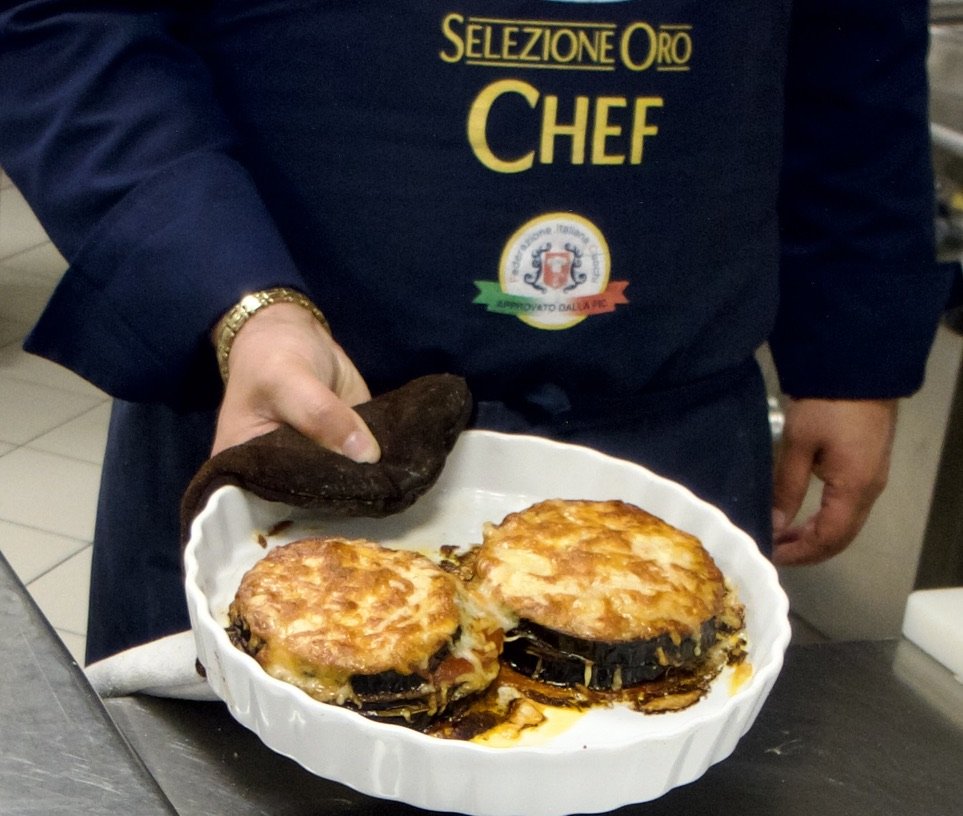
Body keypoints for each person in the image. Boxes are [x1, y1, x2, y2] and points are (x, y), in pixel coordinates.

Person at [0, 0, 950, 664]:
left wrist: (850, 343)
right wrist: (232, 293)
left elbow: (851, 43)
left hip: (662, 439)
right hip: (291, 418)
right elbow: (74, 19)